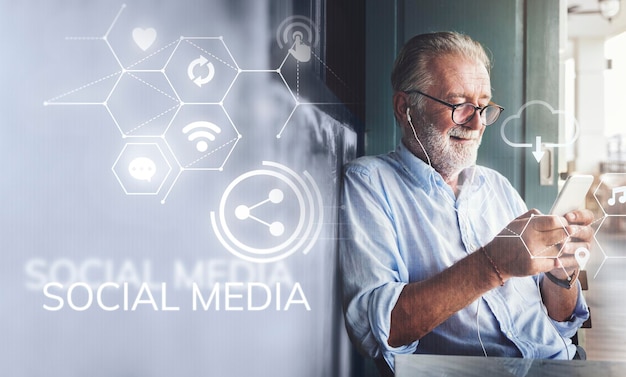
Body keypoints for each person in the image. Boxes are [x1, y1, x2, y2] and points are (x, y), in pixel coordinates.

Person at [339, 31, 593, 376]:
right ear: (405, 107)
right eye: (459, 105)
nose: (476, 123)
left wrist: (561, 275)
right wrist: (494, 263)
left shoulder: (496, 186)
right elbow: (380, 332)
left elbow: (561, 322)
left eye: (484, 106)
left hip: (560, 363)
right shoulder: (369, 183)